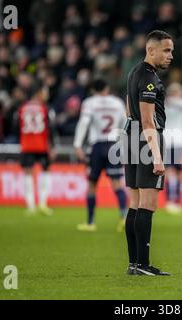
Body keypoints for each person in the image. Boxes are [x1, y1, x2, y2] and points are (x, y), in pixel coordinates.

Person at [124, 30, 174, 276]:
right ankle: (143, 265)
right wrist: (156, 154)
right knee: (148, 204)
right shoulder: (150, 78)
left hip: (130, 137)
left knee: (134, 204)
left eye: (171, 51)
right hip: (146, 139)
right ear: (150, 50)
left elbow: (128, 106)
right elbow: (147, 120)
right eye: (166, 50)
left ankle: (134, 264)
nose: (170, 55)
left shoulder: (134, 72)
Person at [73, 79, 128, 232]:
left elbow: (84, 123)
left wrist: (77, 145)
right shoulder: (117, 103)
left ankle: (90, 222)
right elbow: (125, 125)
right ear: (107, 87)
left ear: (92, 90)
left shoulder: (90, 103)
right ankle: (124, 218)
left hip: (97, 146)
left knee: (92, 185)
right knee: (117, 183)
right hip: (113, 145)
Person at [18, 85, 55, 216]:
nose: (46, 96)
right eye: (44, 92)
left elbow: (16, 125)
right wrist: (52, 146)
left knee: (28, 173)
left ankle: (30, 205)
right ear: (38, 93)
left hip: (26, 144)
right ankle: (43, 203)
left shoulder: (22, 107)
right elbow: (50, 128)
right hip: (42, 145)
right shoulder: (44, 108)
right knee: (45, 171)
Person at [163, 82, 182, 214]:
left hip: (174, 141)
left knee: (173, 172)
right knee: (175, 172)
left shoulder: (164, 103)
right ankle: (173, 201)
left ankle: (173, 201)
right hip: (176, 141)